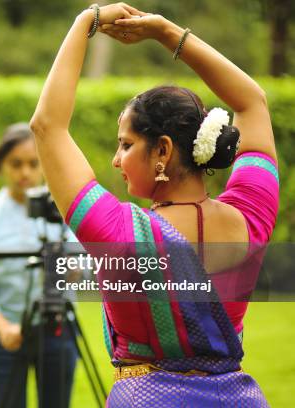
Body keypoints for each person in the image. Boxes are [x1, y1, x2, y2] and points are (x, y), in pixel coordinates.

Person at [30, 3, 277, 407]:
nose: (116, 159)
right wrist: (167, 33)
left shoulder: (116, 232)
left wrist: (84, 22)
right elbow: (252, 102)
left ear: (162, 150)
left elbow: (47, 127)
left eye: (126, 145)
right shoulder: (252, 216)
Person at [0, 123, 78, 408]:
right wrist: (3, 328)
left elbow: (81, 269)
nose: (25, 173)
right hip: (5, 334)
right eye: (16, 164)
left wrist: (73, 268)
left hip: (58, 330)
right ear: (2, 164)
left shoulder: (63, 213)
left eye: (32, 164)